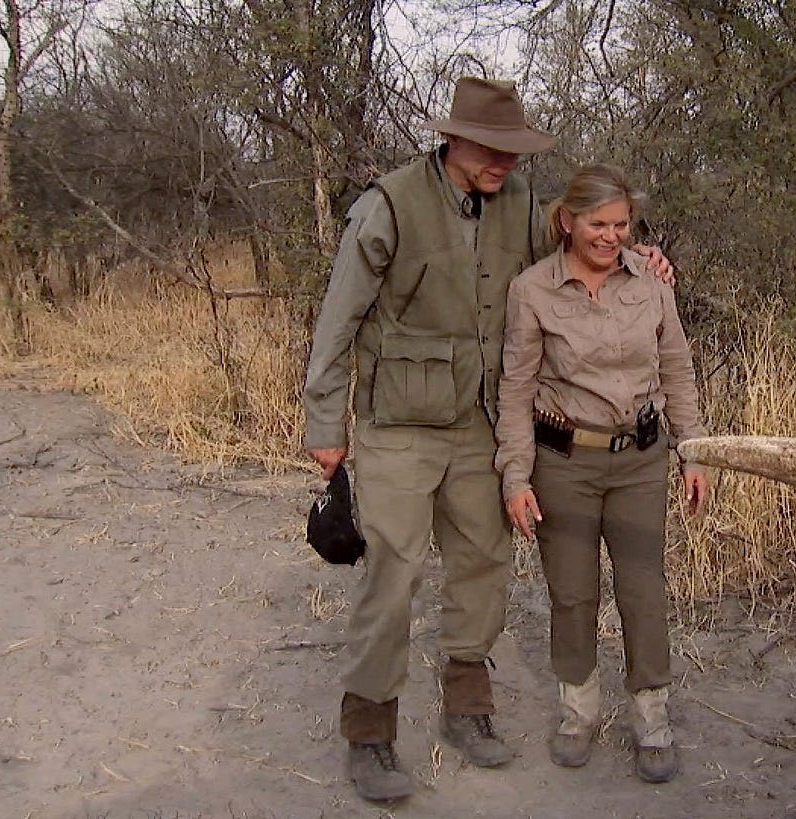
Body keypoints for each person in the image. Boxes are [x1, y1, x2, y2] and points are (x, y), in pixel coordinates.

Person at [302, 78, 674, 803]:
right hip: (399, 425)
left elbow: (586, 244)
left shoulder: (524, 207)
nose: (505, 161)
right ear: (453, 140)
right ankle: (371, 732)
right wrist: (326, 422)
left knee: (483, 563)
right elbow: (338, 317)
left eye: (515, 149)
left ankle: (468, 708)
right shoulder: (389, 205)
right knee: (393, 573)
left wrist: (643, 259)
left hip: (481, 422)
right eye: (492, 148)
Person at [494, 163, 710, 784]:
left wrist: (692, 451)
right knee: (572, 591)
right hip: (564, 463)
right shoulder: (532, 291)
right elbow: (516, 390)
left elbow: (676, 371)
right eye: (598, 223)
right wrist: (516, 476)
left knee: (643, 589)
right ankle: (578, 712)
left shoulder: (650, 282)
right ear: (567, 220)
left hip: (640, 459)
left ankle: (652, 717)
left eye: (621, 225)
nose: (611, 236)